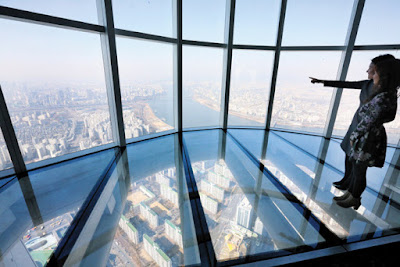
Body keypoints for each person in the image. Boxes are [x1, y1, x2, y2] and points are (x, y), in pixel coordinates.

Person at [310, 54, 398, 209]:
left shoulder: (385, 96)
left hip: (365, 136)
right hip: (359, 129)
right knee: (351, 159)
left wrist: (361, 131)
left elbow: (382, 117)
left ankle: (354, 196)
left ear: (384, 75)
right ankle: (349, 188)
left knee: (359, 168)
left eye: (373, 70)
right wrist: (323, 82)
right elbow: (348, 84)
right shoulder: (373, 87)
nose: (369, 72)